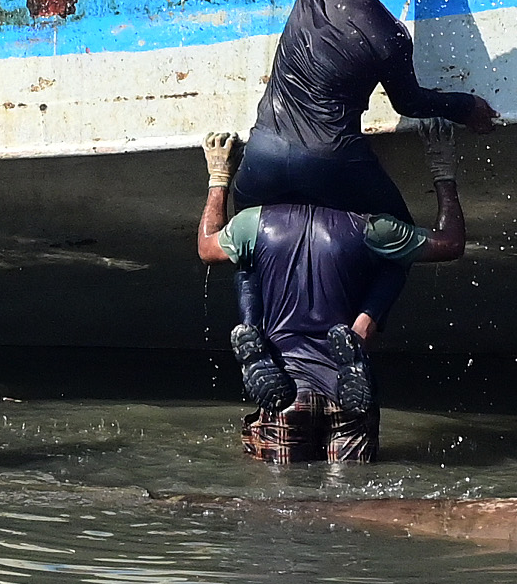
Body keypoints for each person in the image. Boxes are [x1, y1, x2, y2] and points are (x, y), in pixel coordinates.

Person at [227, 0, 497, 406]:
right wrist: (465, 106)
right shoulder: (386, 35)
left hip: (266, 154)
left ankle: (248, 327)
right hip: (334, 163)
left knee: (247, 241)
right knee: (402, 237)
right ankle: (359, 331)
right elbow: (409, 103)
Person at [199, 126, 467, 463]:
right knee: (396, 262)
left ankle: (257, 338)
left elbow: (207, 247)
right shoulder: (373, 227)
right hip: (345, 392)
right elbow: (451, 243)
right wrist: (443, 172)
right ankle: (360, 331)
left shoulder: (254, 222)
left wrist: (219, 178)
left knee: (246, 266)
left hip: (287, 390)